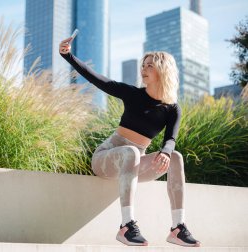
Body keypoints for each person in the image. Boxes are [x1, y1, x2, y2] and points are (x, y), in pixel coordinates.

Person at [59, 37, 200, 247]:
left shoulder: (172, 108)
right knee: (132, 152)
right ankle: (126, 226)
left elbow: (171, 138)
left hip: (132, 164)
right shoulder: (132, 94)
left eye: (150, 66)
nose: (143, 69)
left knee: (175, 157)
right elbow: (97, 79)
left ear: (163, 70)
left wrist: (166, 153)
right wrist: (67, 55)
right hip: (106, 157)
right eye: (143, 65)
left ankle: (178, 228)